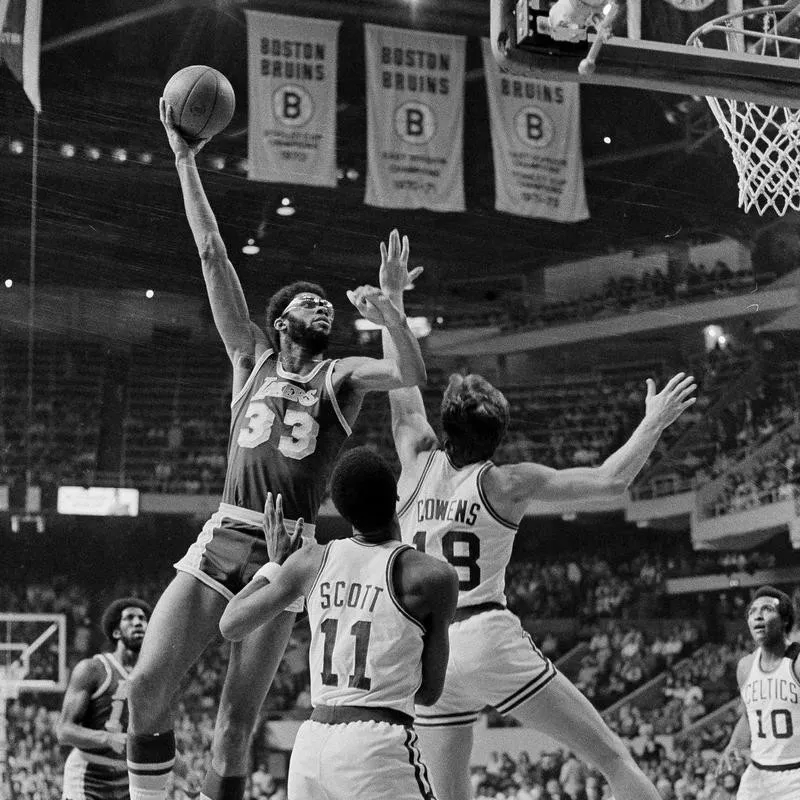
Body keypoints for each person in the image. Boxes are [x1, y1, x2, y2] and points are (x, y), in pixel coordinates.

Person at [126, 102, 427, 800]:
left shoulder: (341, 377)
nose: (322, 306)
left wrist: (390, 309)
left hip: (288, 551)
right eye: (309, 302)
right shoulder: (250, 359)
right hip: (227, 535)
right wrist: (184, 159)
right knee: (146, 689)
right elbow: (211, 251)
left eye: (329, 304)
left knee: (235, 726)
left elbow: (409, 373)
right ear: (279, 319)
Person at [376, 231, 697, 800]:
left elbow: (403, 385)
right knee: (612, 758)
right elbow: (609, 479)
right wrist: (654, 421)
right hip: (484, 633)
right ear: (498, 433)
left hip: (427, 648)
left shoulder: (413, 462)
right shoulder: (506, 481)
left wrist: (393, 301)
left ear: (446, 427)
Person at [220, 446, 459, 800]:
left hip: (311, 744)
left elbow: (231, 624)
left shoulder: (309, 561)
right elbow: (428, 693)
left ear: (342, 510)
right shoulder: (432, 577)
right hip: (375, 745)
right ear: (396, 498)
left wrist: (276, 565)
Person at [58, 599, 151, 800]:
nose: (138, 622)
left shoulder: (151, 679)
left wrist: (184, 772)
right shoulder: (93, 669)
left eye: (143, 619)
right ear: (116, 632)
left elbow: (155, 735)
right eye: (130, 618)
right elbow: (64, 730)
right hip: (88, 774)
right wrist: (107, 738)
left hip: (128, 777)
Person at [717, 585, 800, 800]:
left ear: (784, 620)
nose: (757, 616)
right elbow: (748, 716)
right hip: (758, 774)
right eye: (752, 612)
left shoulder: (797, 662)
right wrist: (733, 745)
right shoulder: (745, 667)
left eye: (766, 609)